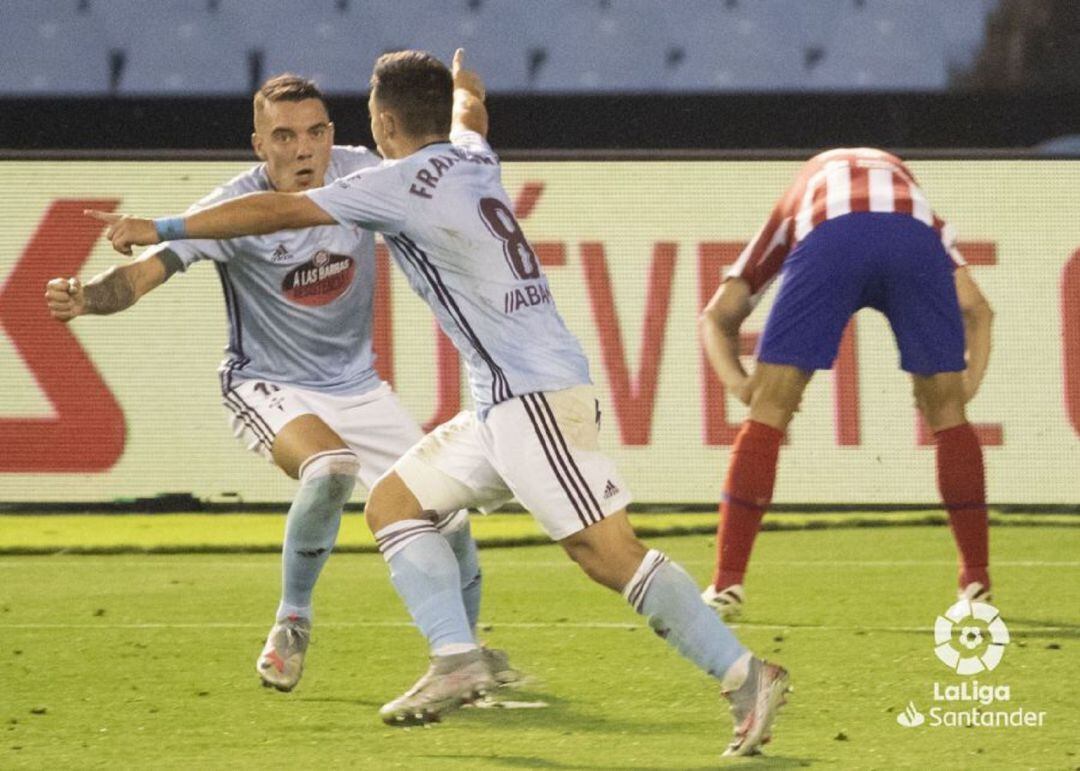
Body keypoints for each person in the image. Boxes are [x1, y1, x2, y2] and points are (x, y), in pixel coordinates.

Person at [86, 49, 790, 758]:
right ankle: (456, 657)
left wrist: (165, 225)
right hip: (500, 403)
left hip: (533, 396)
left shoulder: (397, 184)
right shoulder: (471, 156)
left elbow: (278, 210)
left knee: (607, 553)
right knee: (392, 503)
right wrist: (465, 90)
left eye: (366, 121)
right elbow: (472, 116)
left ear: (384, 122)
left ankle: (744, 674)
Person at [46, 73, 517, 694]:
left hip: (360, 386)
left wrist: (462, 105)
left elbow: (442, 168)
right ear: (258, 146)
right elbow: (142, 275)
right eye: (285, 136)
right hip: (267, 383)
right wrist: (88, 298)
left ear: (332, 134)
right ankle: (292, 621)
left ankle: (468, 658)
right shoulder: (231, 206)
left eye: (316, 132)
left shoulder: (362, 170)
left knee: (447, 515)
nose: (303, 149)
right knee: (330, 468)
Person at [697, 147, 995, 618]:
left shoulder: (804, 189)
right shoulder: (917, 210)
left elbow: (716, 315)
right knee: (948, 418)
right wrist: (964, 390)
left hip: (831, 236)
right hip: (910, 244)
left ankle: (727, 584)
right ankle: (975, 579)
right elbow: (980, 310)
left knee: (770, 412)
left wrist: (741, 385)